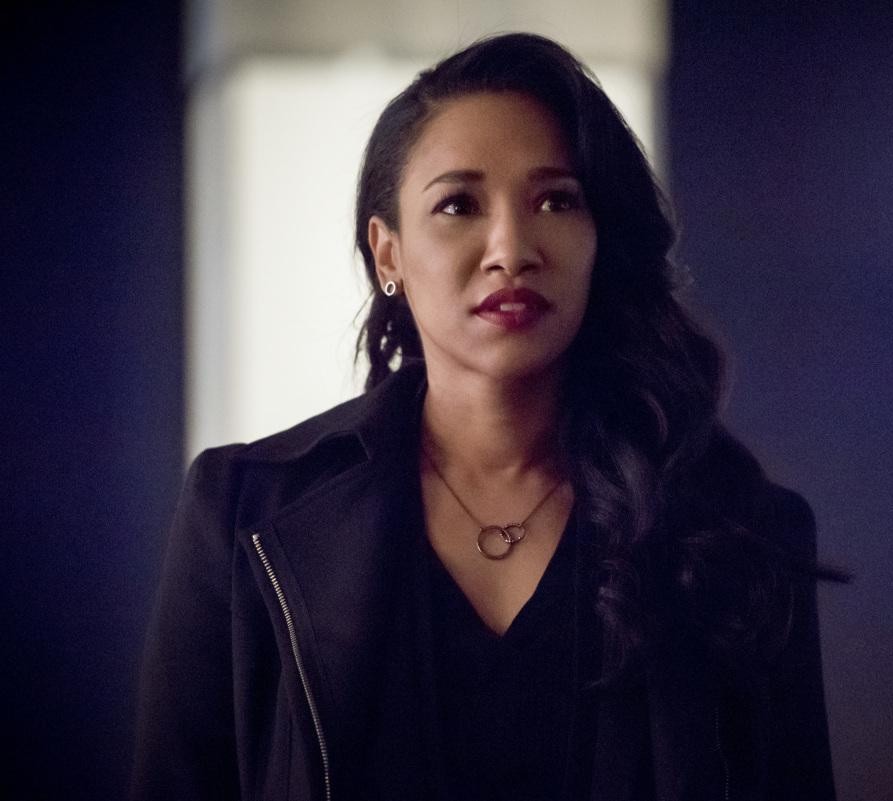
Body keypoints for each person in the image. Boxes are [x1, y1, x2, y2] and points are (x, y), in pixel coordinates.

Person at [132, 32, 837, 801]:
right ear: (388, 254)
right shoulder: (243, 516)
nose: (510, 248)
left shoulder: (738, 530)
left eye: (555, 200)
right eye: (458, 205)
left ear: (600, 237)